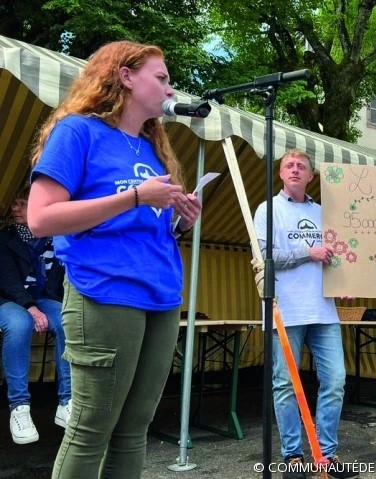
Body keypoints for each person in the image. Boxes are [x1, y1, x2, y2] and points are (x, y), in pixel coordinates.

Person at [26, 40, 200, 478]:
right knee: (91, 429)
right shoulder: (78, 131)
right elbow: (41, 218)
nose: (169, 89)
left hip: (161, 296)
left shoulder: (153, 147)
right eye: (161, 78)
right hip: (103, 291)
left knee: (134, 431)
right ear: (125, 76)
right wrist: (136, 196)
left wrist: (182, 222)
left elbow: (149, 227)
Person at [253, 149, 357, 479]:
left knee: (336, 380)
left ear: (311, 176)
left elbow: (338, 255)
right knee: (284, 384)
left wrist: (345, 280)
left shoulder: (326, 213)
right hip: (285, 308)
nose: (295, 170)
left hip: (324, 309)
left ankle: (325, 454)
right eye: (289, 166)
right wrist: (307, 252)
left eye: (302, 166)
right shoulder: (267, 210)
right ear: (281, 174)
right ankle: (293, 456)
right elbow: (263, 255)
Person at [0, 185, 71, 444]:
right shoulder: (5, 238)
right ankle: (19, 408)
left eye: (21, 203)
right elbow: (8, 280)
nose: (14, 209)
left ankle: (67, 402)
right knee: (19, 325)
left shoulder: (56, 238)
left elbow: (61, 281)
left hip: (42, 298)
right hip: (8, 298)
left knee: (68, 320)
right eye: (14, 204)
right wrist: (31, 308)